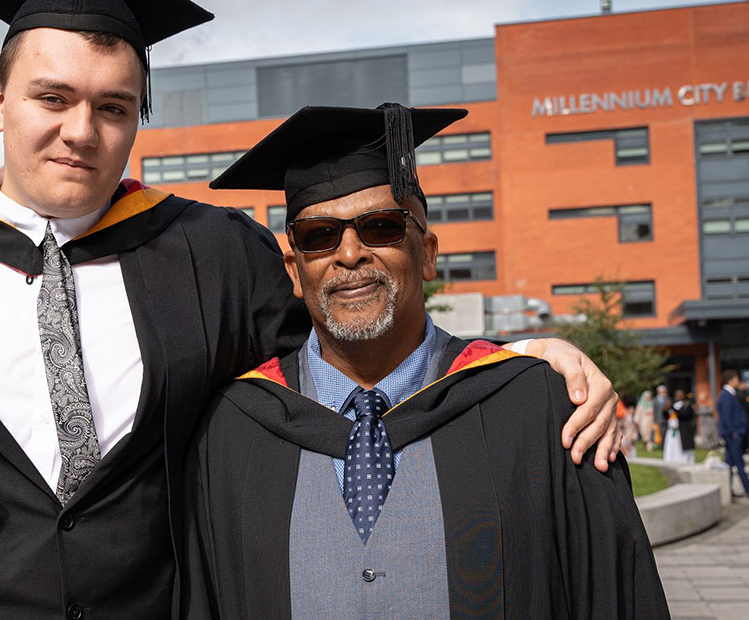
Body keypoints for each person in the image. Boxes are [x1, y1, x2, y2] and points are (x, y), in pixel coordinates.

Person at [0, 0, 622, 618]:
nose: (80, 131)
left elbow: (344, 366)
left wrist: (516, 361)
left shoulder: (208, 252)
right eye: (52, 98)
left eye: (113, 107)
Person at [180, 104, 667, 617]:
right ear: (295, 271)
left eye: (382, 226)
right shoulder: (231, 430)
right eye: (319, 236)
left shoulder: (543, 408)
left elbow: (617, 594)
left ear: (429, 253)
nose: (349, 254)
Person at [717, 370, 749, 499]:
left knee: (729, 463)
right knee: (739, 463)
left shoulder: (731, 394)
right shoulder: (725, 395)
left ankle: (727, 489)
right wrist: (733, 432)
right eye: (736, 379)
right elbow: (726, 416)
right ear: (730, 380)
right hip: (733, 435)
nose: (738, 382)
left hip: (734, 433)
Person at [652, 384, 670, 448]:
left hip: (665, 419)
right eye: (662, 391)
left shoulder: (667, 399)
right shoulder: (655, 400)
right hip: (658, 419)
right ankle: (658, 445)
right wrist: (654, 420)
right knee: (658, 433)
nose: (664, 393)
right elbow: (654, 410)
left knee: (665, 432)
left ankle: (663, 446)